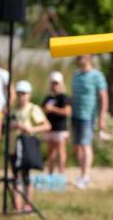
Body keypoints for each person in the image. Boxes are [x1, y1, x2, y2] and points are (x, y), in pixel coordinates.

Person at [10, 80, 51, 212]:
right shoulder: (13, 110)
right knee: (15, 177)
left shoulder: (33, 109)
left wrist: (30, 128)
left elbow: (47, 125)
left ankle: (27, 204)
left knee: (26, 176)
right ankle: (16, 205)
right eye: (19, 93)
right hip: (13, 147)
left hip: (26, 147)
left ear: (29, 95)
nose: (21, 96)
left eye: (24, 93)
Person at [71, 54, 108, 189]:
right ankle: (82, 174)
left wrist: (102, 117)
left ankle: (85, 176)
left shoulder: (97, 75)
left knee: (86, 145)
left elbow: (103, 97)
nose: (78, 59)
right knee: (77, 146)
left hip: (88, 116)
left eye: (80, 56)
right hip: (75, 115)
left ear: (88, 57)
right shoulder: (75, 75)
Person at [42, 71, 72, 175]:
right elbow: (43, 110)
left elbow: (67, 112)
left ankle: (61, 174)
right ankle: (50, 174)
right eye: (53, 83)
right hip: (50, 128)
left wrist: (53, 109)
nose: (55, 85)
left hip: (60, 128)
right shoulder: (48, 97)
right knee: (50, 152)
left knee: (60, 151)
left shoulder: (64, 97)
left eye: (57, 83)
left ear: (61, 83)